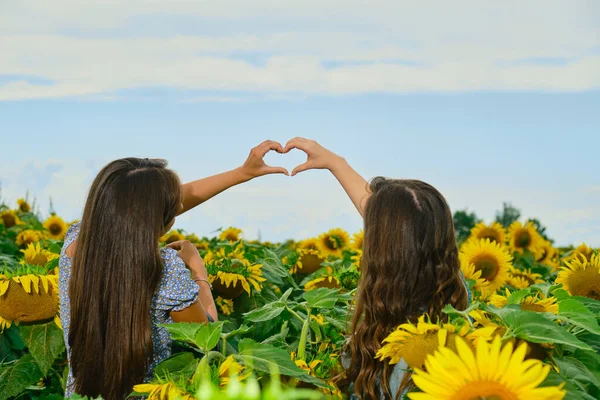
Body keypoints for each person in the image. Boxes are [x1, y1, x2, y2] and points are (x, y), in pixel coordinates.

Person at [59, 140, 289, 399]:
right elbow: (206, 337)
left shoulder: (75, 242)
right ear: (161, 222)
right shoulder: (165, 269)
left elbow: (145, 206)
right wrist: (197, 271)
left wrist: (242, 173)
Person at [282, 137, 470, 400]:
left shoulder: (379, 358)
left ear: (381, 251)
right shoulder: (455, 297)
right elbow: (400, 227)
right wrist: (335, 163)